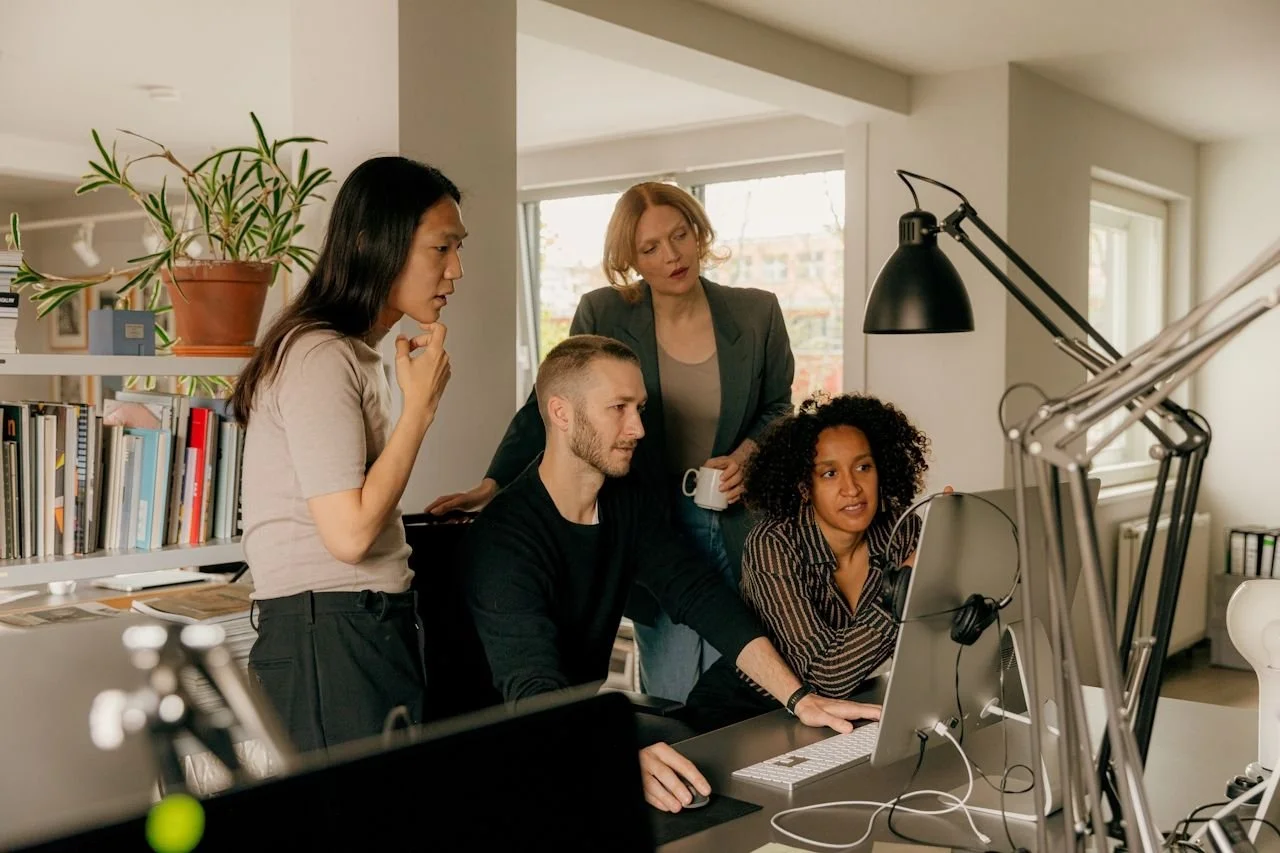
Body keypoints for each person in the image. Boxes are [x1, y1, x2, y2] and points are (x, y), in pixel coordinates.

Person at [458, 336, 879, 814]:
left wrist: (800, 698)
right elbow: (532, 688)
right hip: (504, 749)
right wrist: (613, 756)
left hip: (574, 729)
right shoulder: (503, 539)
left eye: (639, 407)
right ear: (560, 413)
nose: (637, 427)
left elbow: (698, 593)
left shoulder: (625, 501)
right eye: (618, 407)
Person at [431, 182, 795, 703]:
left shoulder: (756, 312)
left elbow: (779, 406)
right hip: (646, 506)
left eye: (680, 235)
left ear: (699, 233)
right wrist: (494, 484)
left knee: (737, 674)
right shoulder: (604, 312)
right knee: (670, 682)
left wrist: (745, 455)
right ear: (630, 259)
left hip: (731, 511)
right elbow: (556, 402)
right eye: (650, 248)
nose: (671, 255)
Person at [231, 156, 463, 752]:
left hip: (356, 628)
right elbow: (350, 535)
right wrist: (419, 410)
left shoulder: (352, 355)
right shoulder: (319, 356)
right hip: (328, 636)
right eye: (442, 248)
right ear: (372, 244)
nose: (456, 270)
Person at [683, 393, 931, 730]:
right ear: (804, 486)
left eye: (863, 467)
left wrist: (951, 550)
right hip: (744, 712)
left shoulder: (901, 532)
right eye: (830, 474)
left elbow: (934, 631)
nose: (852, 488)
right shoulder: (774, 543)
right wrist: (903, 588)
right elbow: (825, 677)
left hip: (837, 711)